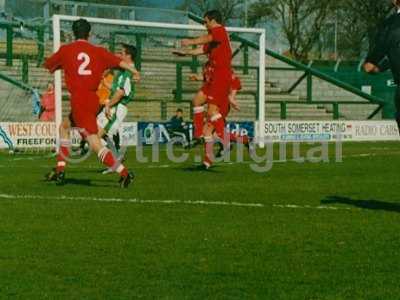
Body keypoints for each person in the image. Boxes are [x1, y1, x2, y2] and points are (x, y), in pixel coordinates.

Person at [43, 18, 140, 187]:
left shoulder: (67, 50)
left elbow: (48, 64)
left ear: (74, 33)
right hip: (92, 99)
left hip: (79, 100)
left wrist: (55, 63)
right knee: (64, 127)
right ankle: (60, 170)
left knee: (94, 142)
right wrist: (134, 70)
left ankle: (124, 173)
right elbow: (120, 62)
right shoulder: (98, 51)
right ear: (89, 34)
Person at [173, 10, 232, 169]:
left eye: (205, 22)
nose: (204, 25)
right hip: (213, 78)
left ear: (213, 21)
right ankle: (202, 147)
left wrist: (190, 41)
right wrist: (185, 53)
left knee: (212, 112)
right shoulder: (213, 39)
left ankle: (226, 143)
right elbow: (201, 50)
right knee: (196, 100)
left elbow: (206, 39)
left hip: (221, 75)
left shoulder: (219, 30)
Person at [97, 44, 138, 174]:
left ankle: (116, 163)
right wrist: (105, 83)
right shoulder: (124, 71)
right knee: (96, 134)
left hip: (116, 107)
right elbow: (117, 90)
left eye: (122, 53)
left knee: (96, 136)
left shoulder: (128, 73)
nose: (119, 55)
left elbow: (120, 93)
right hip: (113, 105)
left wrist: (108, 105)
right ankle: (116, 159)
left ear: (128, 56)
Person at [364, 0, 400, 132]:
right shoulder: (391, 24)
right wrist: (380, 65)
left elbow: (386, 43)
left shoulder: (391, 25)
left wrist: (373, 60)